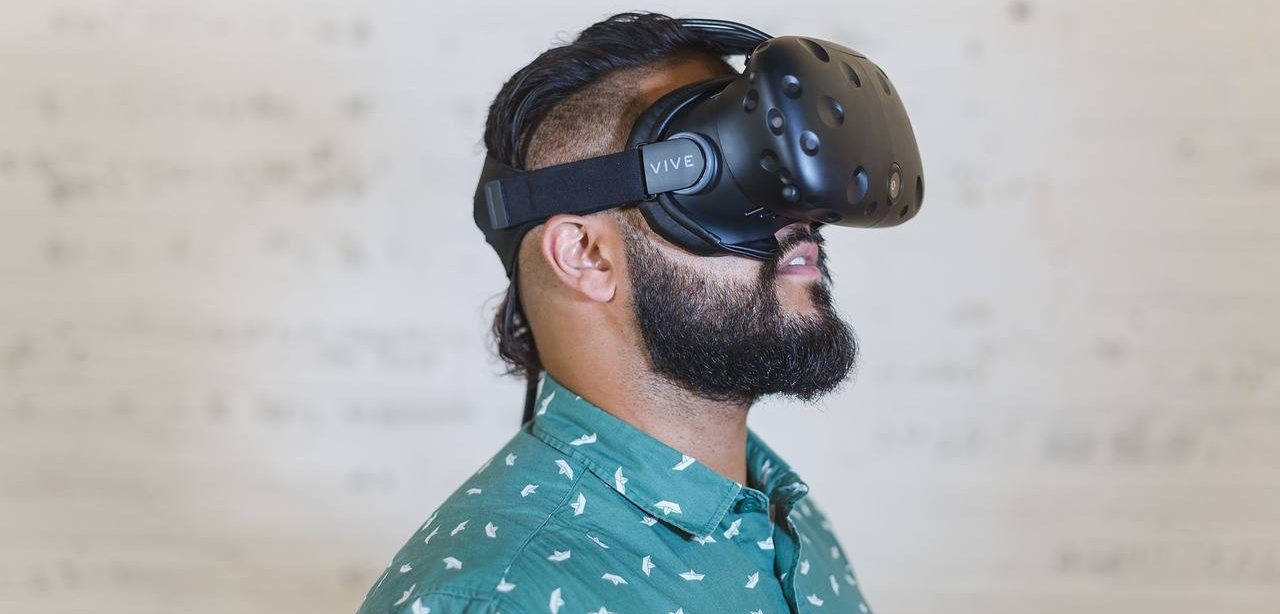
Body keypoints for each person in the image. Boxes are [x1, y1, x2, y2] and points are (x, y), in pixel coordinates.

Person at [357, 12, 876, 614]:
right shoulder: (497, 597)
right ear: (585, 255)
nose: (797, 220)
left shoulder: (785, 515)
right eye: (728, 177)